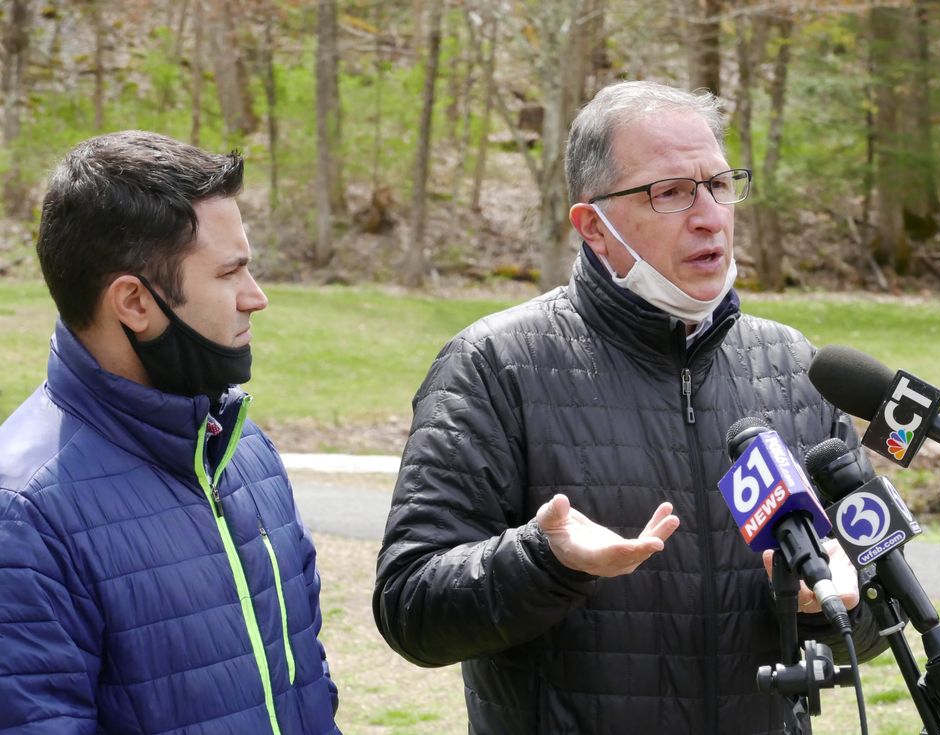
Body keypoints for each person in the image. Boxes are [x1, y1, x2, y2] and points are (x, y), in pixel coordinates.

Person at [373, 81, 884, 734]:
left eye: (720, 184)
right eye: (670, 192)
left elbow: (870, 612)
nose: (709, 216)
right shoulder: (493, 365)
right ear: (594, 226)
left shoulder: (793, 369)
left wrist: (828, 601)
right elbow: (410, 609)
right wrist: (541, 560)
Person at [0, 131, 342, 735]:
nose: (255, 298)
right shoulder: (23, 515)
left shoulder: (243, 452)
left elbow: (305, 679)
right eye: (230, 272)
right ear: (133, 302)